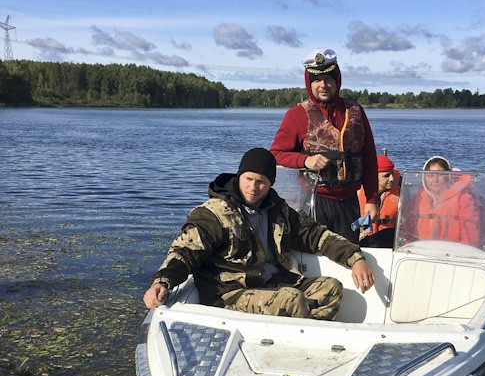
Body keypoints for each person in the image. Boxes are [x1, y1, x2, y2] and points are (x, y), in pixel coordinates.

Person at [143, 148, 375, 320]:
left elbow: (315, 235)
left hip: (274, 283)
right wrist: (163, 281)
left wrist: (355, 259)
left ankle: (304, 340)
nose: (253, 187)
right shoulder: (213, 214)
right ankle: (297, 348)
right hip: (229, 293)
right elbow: (184, 252)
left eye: (261, 182)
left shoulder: (278, 209)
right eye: (248, 179)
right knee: (292, 300)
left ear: (270, 183)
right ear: (239, 177)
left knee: (331, 289)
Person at [269, 48, 378, 243]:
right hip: (315, 201)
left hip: (350, 203)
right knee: (317, 255)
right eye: (317, 80)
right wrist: (305, 160)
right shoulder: (296, 115)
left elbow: (369, 159)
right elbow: (275, 154)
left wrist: (371, 199)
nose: (323, 85)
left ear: (337, 80)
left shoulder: (355, 111)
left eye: (328, 79)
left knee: (350, 254)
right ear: (309, 83)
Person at [409, 155, 480, 246]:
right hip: (421, 251)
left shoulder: (463, 199)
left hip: (453, 253)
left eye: (441, 175)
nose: (435, 180)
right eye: (430, 175)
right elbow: (408, 231)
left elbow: (471, 238)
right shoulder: (418, 199)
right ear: (424, 178)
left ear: (449, 176)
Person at [357, 154, 401, 248]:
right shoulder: (356, 193)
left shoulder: (401, 193)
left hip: (389, 242)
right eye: (387, 176)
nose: (392, 179)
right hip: (363, 241)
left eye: (392, 174)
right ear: (374, 176)